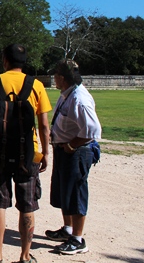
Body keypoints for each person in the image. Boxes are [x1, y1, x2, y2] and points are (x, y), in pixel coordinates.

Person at [0, 44, 52, 263]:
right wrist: (46, 153)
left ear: (5, 60)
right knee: (27, 205)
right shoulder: (36, 85)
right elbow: (44, 125)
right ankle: (25, 256)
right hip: (28, 154)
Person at [45, 59, 102, 255]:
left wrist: (70, 145)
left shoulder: (80, 98)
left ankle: (78, 240)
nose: (54, 78)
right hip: (64, 150)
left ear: (62, 77)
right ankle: (68, 230)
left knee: (76, 193)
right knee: (65, 191)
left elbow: (92, 130)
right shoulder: (67, 94)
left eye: (55, 75)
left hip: (76, 152)